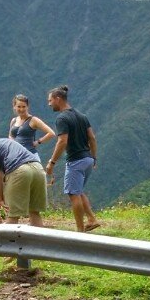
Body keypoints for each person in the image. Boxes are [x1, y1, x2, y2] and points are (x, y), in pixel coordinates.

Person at [45, 85, 101, 232]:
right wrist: (94, 158)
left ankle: (80, 230)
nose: (49, 104)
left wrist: (52, 162)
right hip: (88, 159)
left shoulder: (62, 118)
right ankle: (91, 219)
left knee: (73, 194)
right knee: (79, 190)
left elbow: (62, 141)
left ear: (58, 99)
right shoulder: (82, 116)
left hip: (76, 161)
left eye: (50, 100)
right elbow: (92, 138)